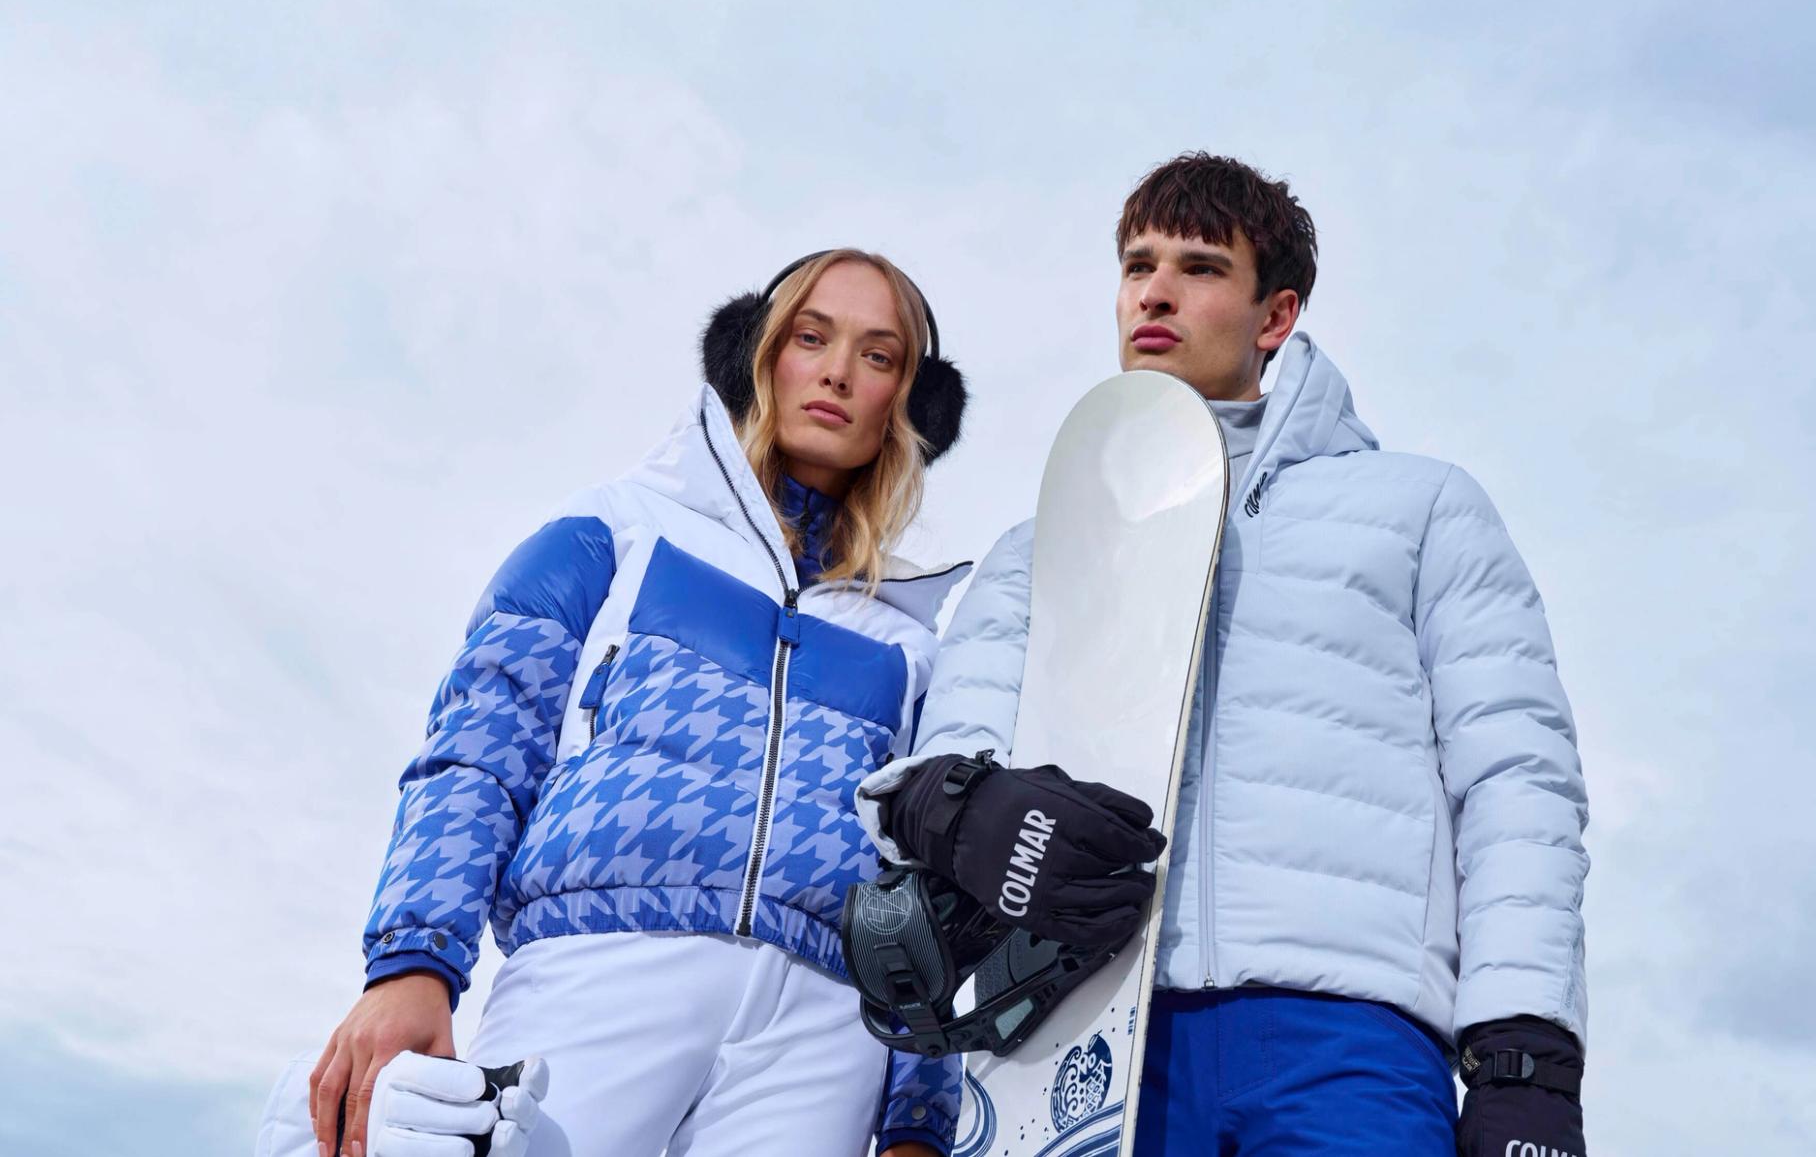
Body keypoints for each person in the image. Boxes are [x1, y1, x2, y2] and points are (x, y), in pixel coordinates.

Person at [858, 154, 1590, 1157]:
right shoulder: (1040, 547)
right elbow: (942, 768)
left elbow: (1515, 779)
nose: (1153, 293)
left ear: (1274, 315)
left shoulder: (1419, 510)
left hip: (1343, 1040)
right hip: (1083, 1044)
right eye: (1136, 265)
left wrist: (1524, 1057)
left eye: (1199, 267)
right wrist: (964, 811)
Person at [305, 249, 972, 1157]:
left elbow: (931, 888)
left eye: (878, 355)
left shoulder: (913, 637)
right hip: (599, 963)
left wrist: (917, 1118)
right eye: (810, 337)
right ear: (756, 352)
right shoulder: (615, 529)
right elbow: (481, 747)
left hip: (821, 1031)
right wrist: (413, 962)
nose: (837, 372)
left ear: (911, 402)